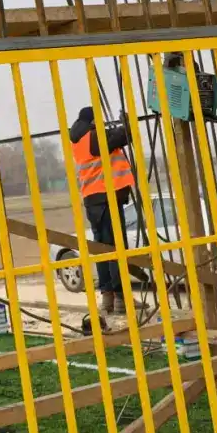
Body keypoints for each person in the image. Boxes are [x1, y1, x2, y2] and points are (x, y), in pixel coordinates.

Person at [70, 105, 135, 316]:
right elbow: (124, 136)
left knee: (101, 250)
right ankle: (121, 299)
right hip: (106, 198)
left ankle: (107, 298)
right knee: (115, 249)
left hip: (92, 201)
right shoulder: (93, 137)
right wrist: (126, 121)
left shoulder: (78, 141)